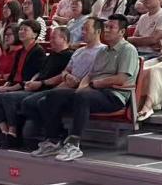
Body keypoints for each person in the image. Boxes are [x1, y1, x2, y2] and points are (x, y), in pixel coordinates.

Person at [51, 15, 142, 162]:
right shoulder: (102, 51)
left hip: (115, 95)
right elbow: (90, 75)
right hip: (96, 92)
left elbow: (121, 79)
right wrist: (82, 87)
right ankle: (54, 140)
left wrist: (94, 85)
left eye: (111, 27)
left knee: (83, 97)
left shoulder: (128, 50)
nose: (106, 30)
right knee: (55, 95)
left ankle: (74, 144)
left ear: (122, 32)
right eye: (106, 27)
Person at [25, 17, 107, 156]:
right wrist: (68, 76)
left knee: (46, 99)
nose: (82, 32)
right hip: (67, 85)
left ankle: (57, 138)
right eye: (82, 29)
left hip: (83, 89)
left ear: (98, 31)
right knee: (36, 101)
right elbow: (66, 71)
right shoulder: (78, 51)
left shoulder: (103, 51)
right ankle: (54, 139)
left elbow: (97, 73)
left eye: (86, 29)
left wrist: (78, 82)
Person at [0, 25, 73, 149]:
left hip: (50, 90)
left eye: (53, 38)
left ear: (64, 38)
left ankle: (14, 132)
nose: (50, 40)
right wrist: (32, 81)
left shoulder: (69, 56)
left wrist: (41, 83)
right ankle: (5, 132)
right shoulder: (51, 55)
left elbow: (62, 76)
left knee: (13, 98)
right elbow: (39, 72)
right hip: (37, 86)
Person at [0, 21, 48, 146]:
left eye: (25, 30)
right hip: (15, 85)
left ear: (34, 34)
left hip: (28, 87)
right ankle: (3, 131)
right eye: (20, 29)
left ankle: (13, 132)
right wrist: (5, 85)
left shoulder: (38, 52)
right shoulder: (20, 52)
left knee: (7, 97)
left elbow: (28, 78)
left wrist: (9, 89)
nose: (21, 32)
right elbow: (12, 75)